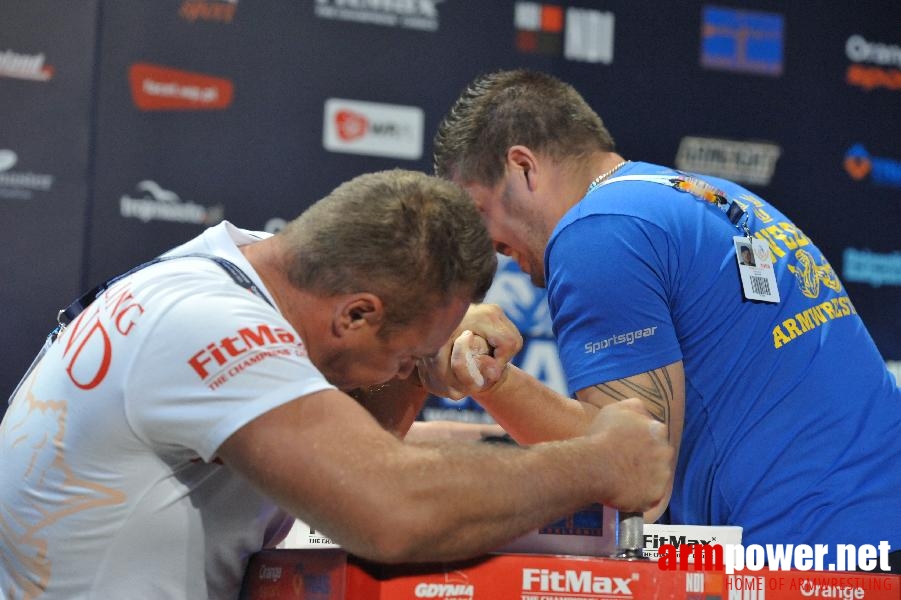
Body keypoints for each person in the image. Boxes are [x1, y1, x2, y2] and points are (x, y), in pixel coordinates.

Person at [0, 169, 674, 599]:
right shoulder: (205, 323)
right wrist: (596, 463)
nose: (414, 371)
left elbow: (356, 452)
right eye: (409, 357)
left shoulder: (255, 271)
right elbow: (389, 508)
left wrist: (423, 354)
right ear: (355, 314)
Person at [432, 69, 901, 572]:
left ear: (523, 168)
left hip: (818, 557)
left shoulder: (596, 230)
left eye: (480, 211)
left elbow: (636, 479)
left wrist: (482, 374)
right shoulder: (701, 195)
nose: (491, 249)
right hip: (869, 537)